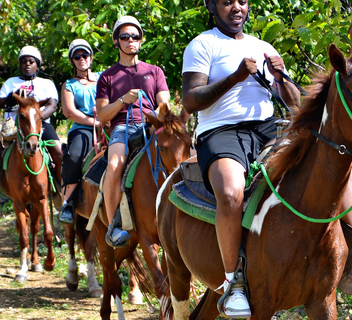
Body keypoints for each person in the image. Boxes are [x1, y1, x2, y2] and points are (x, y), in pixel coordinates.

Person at [182, 0, 301, 317]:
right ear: (211, 6)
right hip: (220, 132)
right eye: (226, 1)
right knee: (232, 192)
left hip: (268, 129)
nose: (236, 7)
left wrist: (281, 78)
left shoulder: (263, 46)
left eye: (243, 1)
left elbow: (295, 103)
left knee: (325, 165)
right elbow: (191, 100)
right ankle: (233, 283)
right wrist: (234, 78)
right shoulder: (203, 44)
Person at [96, 15, 171, 247]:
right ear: (116, 41)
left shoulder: (155, 71)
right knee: (115, 165)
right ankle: (113, 227)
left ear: (141, 40)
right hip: (123, 127)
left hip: (152, 124)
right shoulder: (107, 76)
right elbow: (102, 115)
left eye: (135, 36)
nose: (131, 41)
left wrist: (157, 115)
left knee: (181, 155)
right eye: (125, 37)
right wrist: (122, 101)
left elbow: (164, 105)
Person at [0, 45, 63, 196]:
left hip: (39, 126)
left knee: (59, 152)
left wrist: (36, 118)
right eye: (24, 62)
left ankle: (62, 189)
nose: (27, 64)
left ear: (37, 64)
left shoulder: (46, 83)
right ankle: (6, 187)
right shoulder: (10, 83)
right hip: (13, 126)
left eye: (31, 61)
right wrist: (11, 97)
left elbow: (52, 105)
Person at [58, 39, 102, 224]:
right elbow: (69, 111)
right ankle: (68, 202)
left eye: (84, 55)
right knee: (74, 156)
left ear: (91, 57)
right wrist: (94, 122)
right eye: (77, 56)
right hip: (83, 128)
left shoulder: (103, 77)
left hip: (108, 124)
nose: (81, 58)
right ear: (72, 61)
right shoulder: (69, 85)